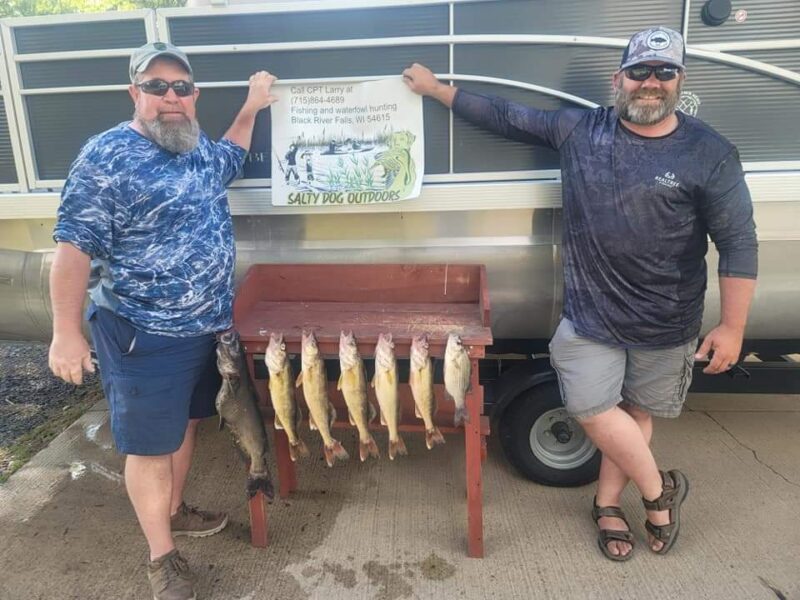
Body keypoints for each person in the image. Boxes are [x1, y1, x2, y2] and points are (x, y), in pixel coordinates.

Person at [403, 27, 757, 561]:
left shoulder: (710, 153)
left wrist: (732, 328)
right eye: (639, 71)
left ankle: (608, 505)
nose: (650, 83)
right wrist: (437, 91)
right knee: (592, 409)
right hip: (590, 317)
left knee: (636, 413)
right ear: (619, 79)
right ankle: (661, 492)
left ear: (680, 80)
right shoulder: (580, 130)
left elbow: (738, 244)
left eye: (664, 72)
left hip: (669, 320)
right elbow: (506, 115)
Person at [48, 41, 277, 599]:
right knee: (149, 447)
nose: (170, 97)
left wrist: (253, 104)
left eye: (181, 87)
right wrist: (66, 331)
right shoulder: (106, 156)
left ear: (194, 96)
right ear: (135, 93)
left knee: (186, 425)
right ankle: (162, 561)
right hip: (141, 335)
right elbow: (71, 249)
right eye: (156, 87)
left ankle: (173, 510)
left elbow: (232, 152)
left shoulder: (197, 150)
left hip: (207, 333)